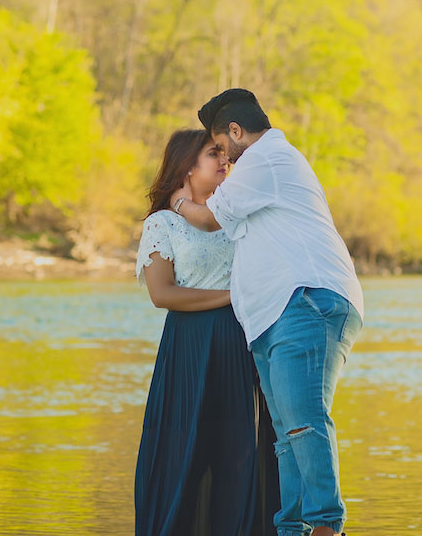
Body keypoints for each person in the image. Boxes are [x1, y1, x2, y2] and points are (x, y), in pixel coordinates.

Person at [170, 89, 363, 536]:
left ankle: (325, 527)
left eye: (220, 146)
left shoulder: (265, 158)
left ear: (236, 132)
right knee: (286, 436)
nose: (222, 157)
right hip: (273, 316)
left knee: (303, 421)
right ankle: (291, 528)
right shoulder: (258, 173)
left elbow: (209, 218)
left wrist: (177, 201)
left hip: (306, 300)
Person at [135, 129, 279, 536]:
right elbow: (162, 294)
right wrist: (233, 296)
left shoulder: (236, 214)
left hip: (242, 346)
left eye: (223, 152)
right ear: (186, 166)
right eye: (213, 153)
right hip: (189, 349)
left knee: (242, 453)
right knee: (184, 452)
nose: (223, 159)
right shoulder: (162, 224)